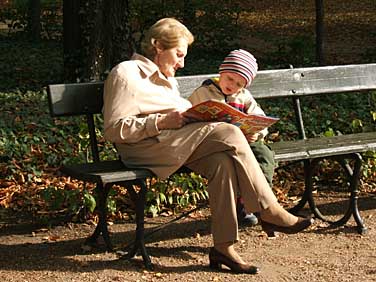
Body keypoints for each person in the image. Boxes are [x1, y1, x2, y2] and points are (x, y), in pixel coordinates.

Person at [103, 17, 313, 275]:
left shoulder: (168, 78)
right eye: (178, 54)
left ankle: (224, 247)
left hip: (176, 143)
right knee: (228, 132)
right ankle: (269, 210)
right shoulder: (126, 73)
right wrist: (162, 121)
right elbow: (114, 129)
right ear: (157, 45)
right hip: (145, 150)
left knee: (222, 162)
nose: (182, 63)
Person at [188, 49, 275, 227]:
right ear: (222, 71)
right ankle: (241, 206)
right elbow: (189, 120)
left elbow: (259, 118)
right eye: (230, 79)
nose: (232, 85)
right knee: (230, 163)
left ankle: (259, 201)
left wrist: (255, 133)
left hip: (245, 142)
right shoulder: (203, 92)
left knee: (265, 154)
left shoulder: (244, 96)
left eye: (239, 84)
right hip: (215, 145)